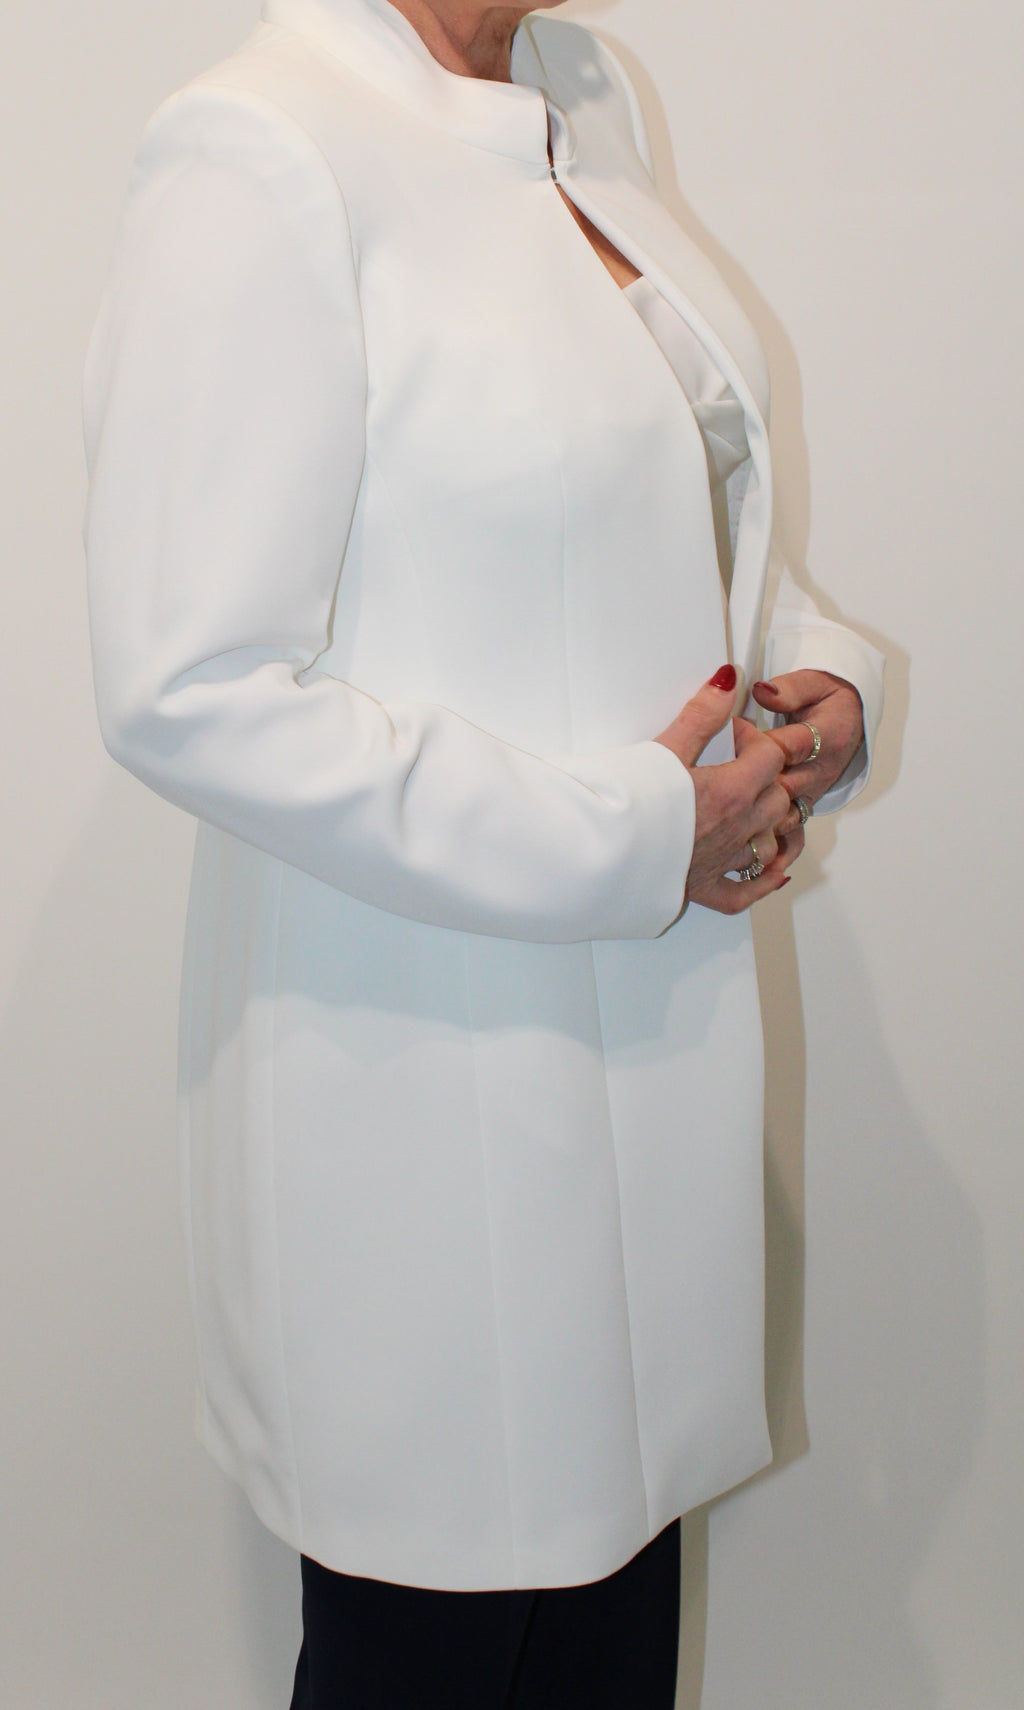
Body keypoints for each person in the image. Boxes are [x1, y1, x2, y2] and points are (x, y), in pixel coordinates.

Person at [83, 0, 884, 1702]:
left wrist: (808, 669)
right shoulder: (263, 144)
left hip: (648, 1065)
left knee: (610, 1636)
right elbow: (187, 690)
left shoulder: (575, 94)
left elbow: (653, 492)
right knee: (439, 1647)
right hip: (426, 1113)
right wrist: (635, 833)